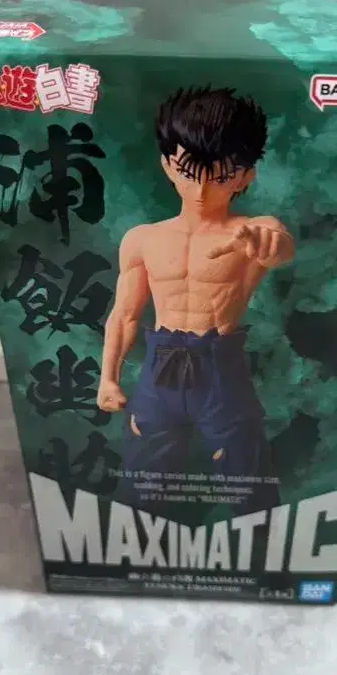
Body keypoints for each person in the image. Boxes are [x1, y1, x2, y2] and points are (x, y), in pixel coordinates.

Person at [97, 86, 295, 512]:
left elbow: (277, 246)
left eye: (219, 176)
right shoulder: (142, 239)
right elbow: (125, 315)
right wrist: (108, 378)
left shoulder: (252, 229)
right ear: (168, 165)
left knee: (249, 483)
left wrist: (268, 245)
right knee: (142, 484)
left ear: (245, 176)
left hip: (219, 368)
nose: (202, 189)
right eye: (190, 172)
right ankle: (135, 548)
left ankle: (260, 549)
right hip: (160, 369)